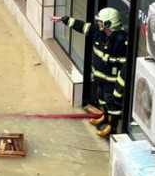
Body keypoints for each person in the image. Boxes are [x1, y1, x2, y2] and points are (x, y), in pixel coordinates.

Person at [49, 8, 127, 137]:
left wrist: (118, 90)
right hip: (100, 77)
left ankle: (112, 127)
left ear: (108, 24)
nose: (99, 24)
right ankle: (104, 117)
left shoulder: (121, 42)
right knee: (100, 97)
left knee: (111, 103)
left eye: (101, 22)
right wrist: (65, 19)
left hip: (112, 81)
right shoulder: (98, 32)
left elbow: (125, 68)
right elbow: (83, 26)